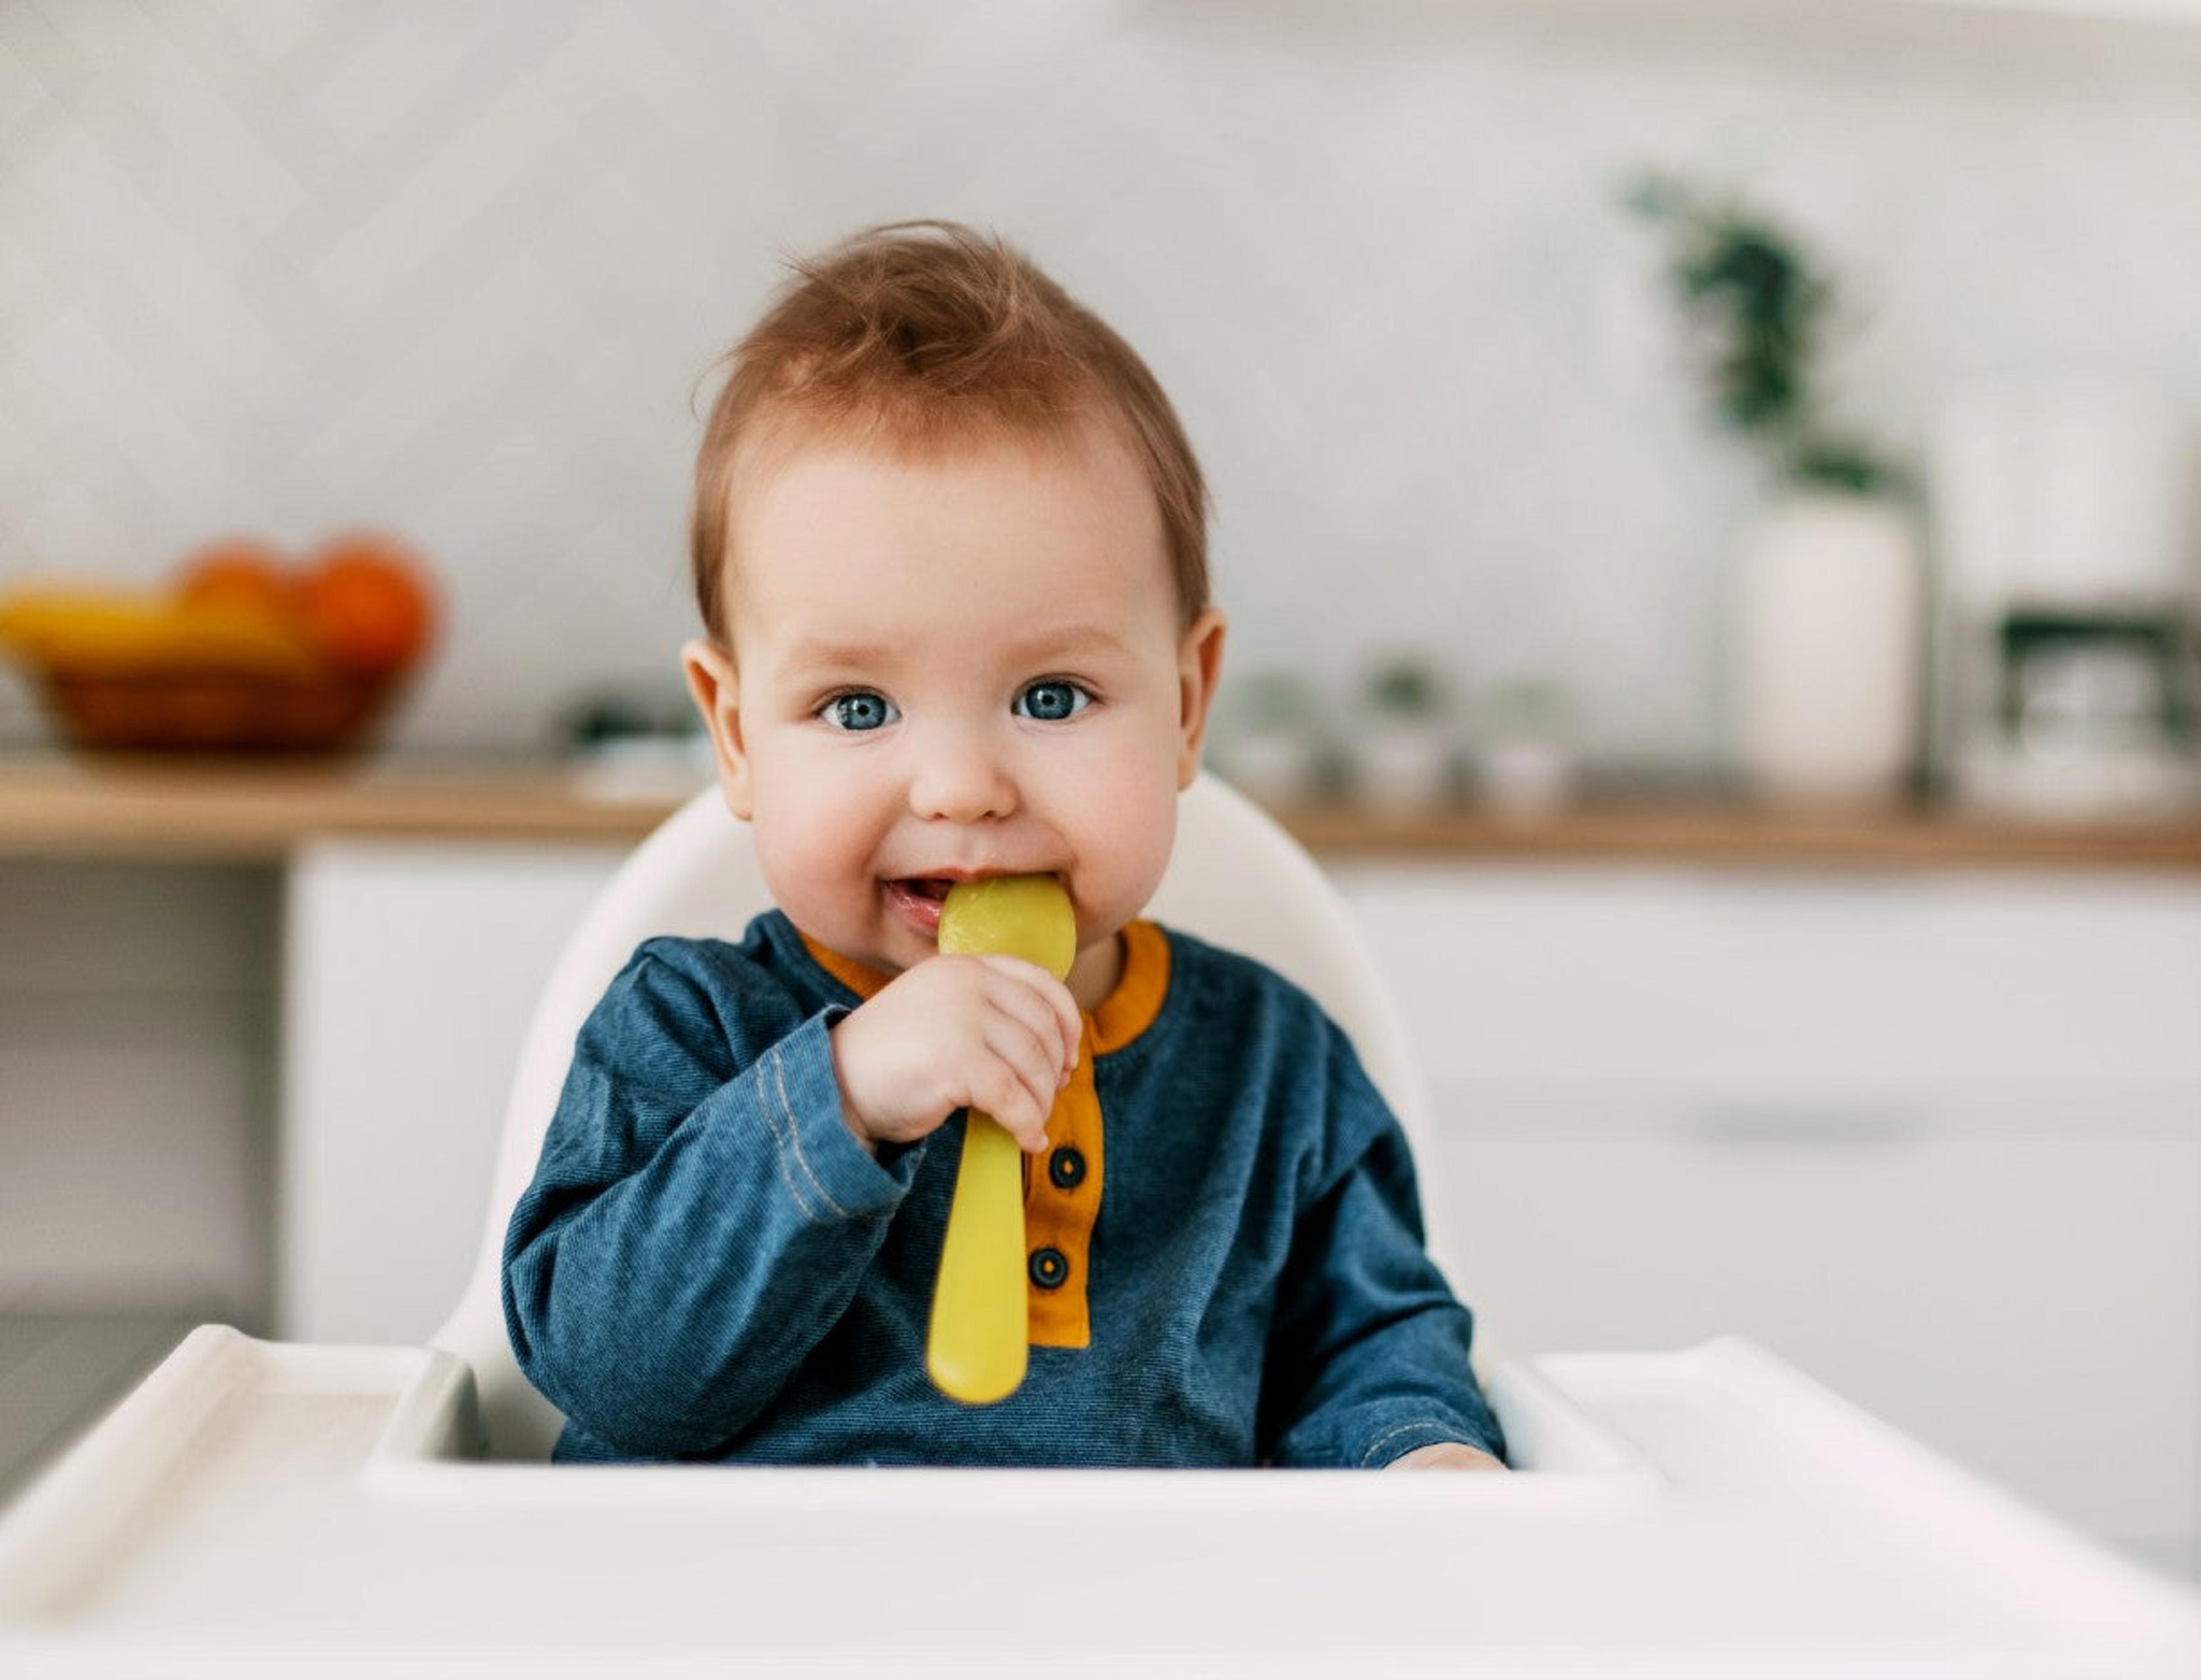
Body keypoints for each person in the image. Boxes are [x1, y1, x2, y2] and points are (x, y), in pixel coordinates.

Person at [502, 221, 1504, 1471]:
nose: (964, 788)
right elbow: (607, 1374)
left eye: (1050, 697)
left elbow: (1375, 1350)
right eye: (857, 708)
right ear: (737, 734)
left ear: (1188, 706)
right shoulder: (687, 1033)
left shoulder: (1275, 1073)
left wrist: (1422, 1456)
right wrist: (843, 1098)